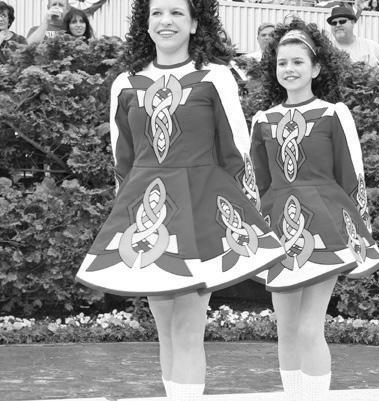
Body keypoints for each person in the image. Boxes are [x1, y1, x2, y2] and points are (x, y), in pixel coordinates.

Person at [75, 1, 285, 400]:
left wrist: (247, 214)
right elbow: (123, 159)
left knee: (188, 329)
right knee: (166, 330)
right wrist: (127, 219)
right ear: (145, 24)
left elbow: (236, 150)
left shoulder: (216, 76)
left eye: (176, 13)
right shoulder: (126, 82)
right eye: (157, 13)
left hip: (202, 208)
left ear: (194, 24)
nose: (166, 21)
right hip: (147, 213)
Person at [251, 20, 379, 401]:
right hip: (279, 230)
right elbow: (258, 184)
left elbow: (351, 176)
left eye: (298, 62)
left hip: (326, 226)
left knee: (310, 328)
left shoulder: (332, 114)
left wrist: (359, 232)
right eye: (282, 62)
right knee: (286, 328)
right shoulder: (263, 121)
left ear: (317, 68)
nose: (289, 69)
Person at [327, 5, 379, 69]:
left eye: (342, 21)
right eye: (334, 23)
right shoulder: (326, 51)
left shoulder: (371, 46)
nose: (338, 25)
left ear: (352, 22)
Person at [0, 1, 26, 65]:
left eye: (4, 15)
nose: (0, 19)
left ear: (9, 20)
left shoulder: (20, 40)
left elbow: (24, 65)